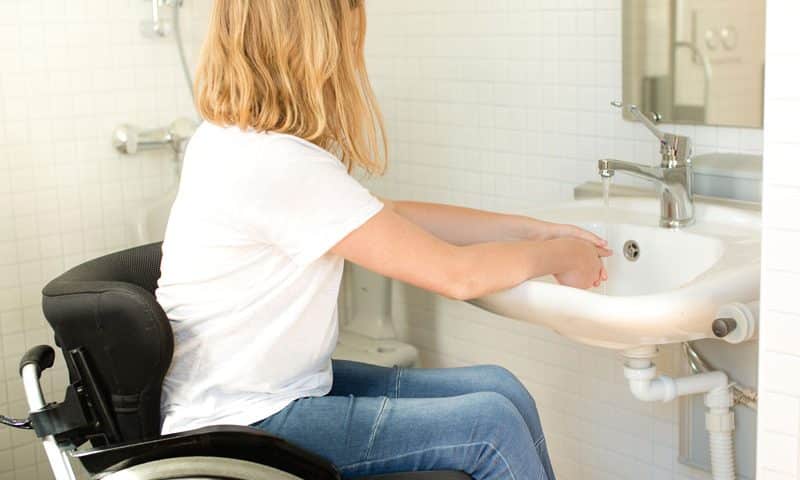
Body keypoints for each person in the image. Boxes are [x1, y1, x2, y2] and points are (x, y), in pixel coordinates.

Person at [155, 1, 611, 479]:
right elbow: (457, 275)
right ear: (315, 42)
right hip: (247, 422)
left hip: (263, 393)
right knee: (490, 426)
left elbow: (392, 217)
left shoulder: (232, 138)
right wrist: (560, 254)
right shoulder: (276, 163)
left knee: (503, 388)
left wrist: (533, 229)